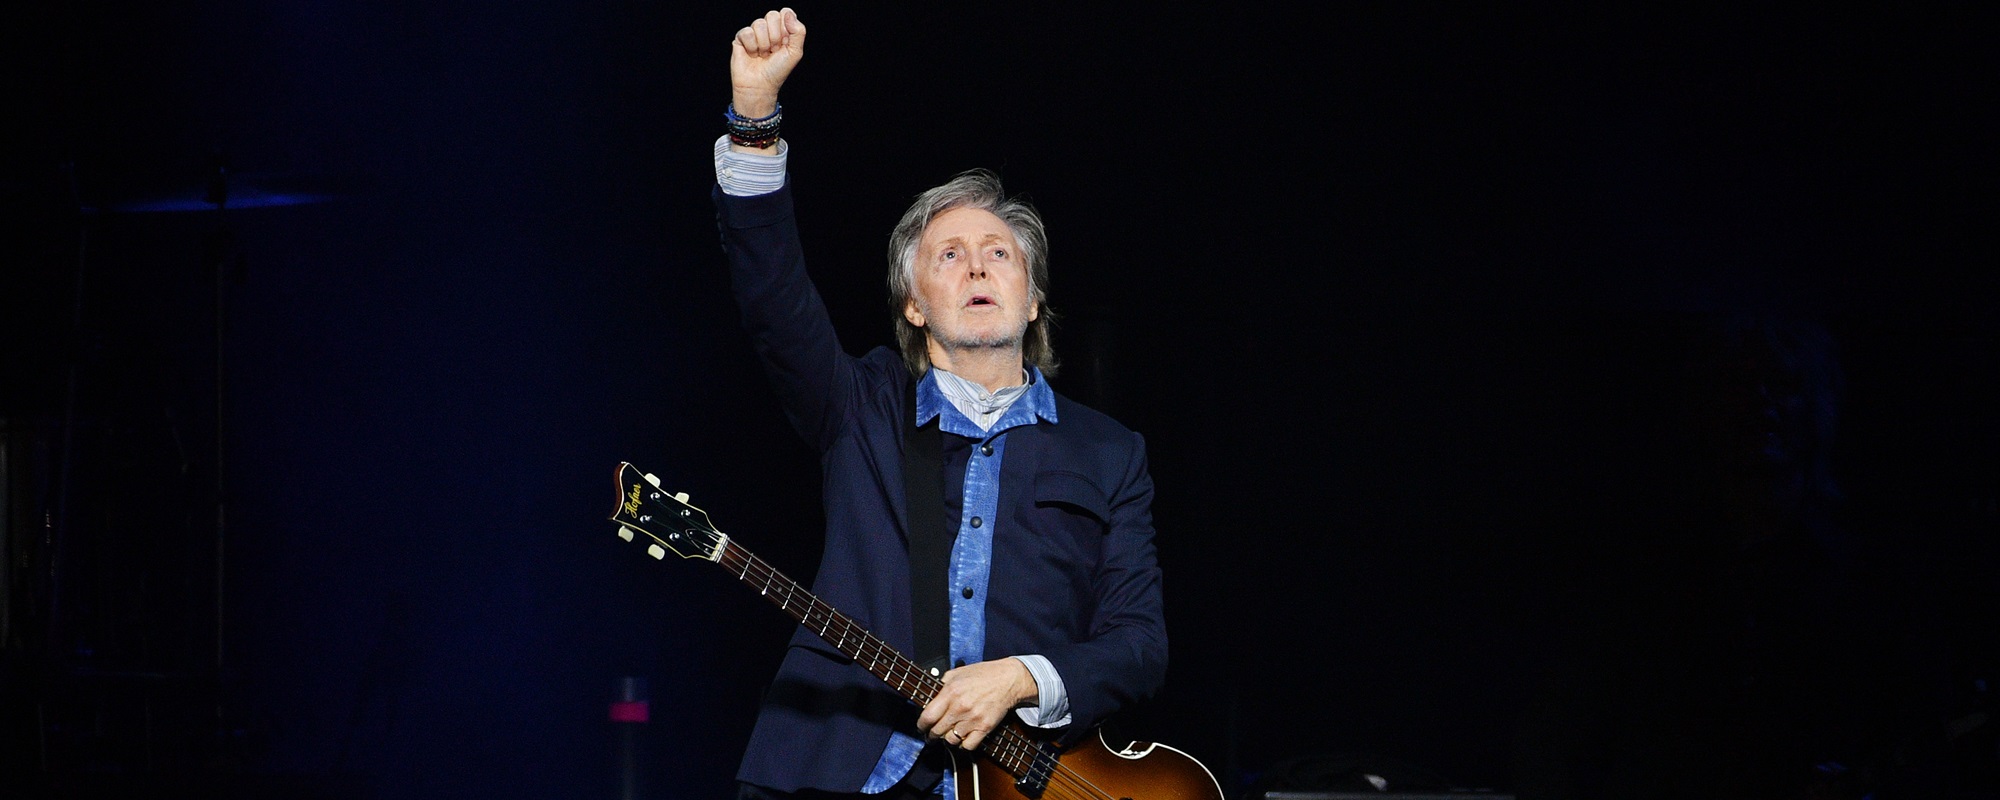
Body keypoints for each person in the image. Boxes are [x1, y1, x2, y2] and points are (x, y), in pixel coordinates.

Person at [710, 9, 1167, 799]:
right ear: (914, 306)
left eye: (999, 255)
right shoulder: (863, 407)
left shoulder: (1109, 452)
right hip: (840, 775)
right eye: (948, 256)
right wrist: (755, 120)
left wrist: (1022, 679)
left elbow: (1138, 644)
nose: (977, 267)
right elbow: (772, 296)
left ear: (1032, 303)